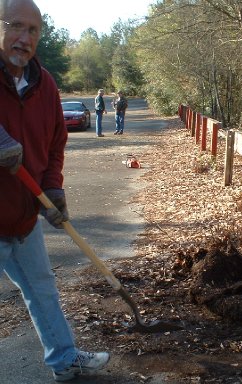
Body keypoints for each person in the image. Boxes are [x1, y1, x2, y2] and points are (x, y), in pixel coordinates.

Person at [0, 0, 110, 381]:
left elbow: (54, 145)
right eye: (16, 26)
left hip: (23, 216)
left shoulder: (43, 84)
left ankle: (63, 360)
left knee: (42, 289)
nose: (24, 38)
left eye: (33, 31)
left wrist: (52, 189)